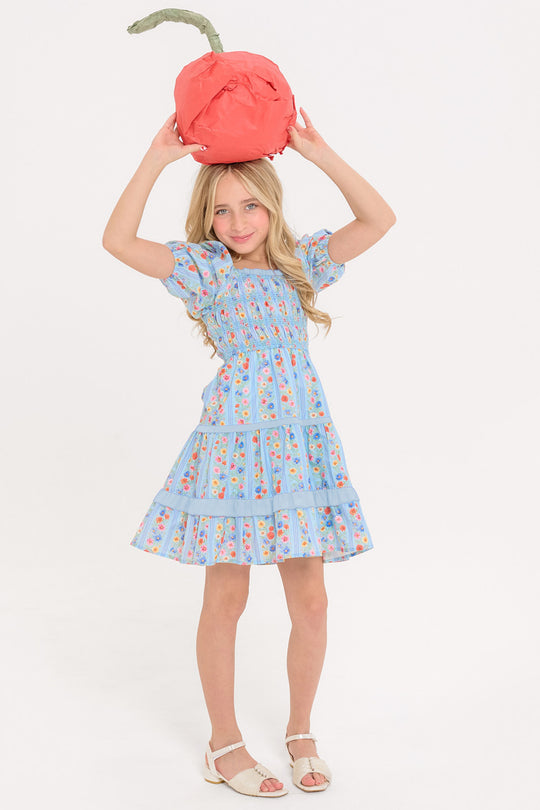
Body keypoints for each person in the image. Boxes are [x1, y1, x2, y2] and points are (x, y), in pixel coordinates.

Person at [102, 107, 396, 798]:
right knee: (227, 595)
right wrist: (155, 160)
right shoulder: (204, 270)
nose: (237, 223)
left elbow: (379, 220)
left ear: (272, 206)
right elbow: (117, 241)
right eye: (222, 211)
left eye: (251, 207)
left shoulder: (302, 265)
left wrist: (320, 153)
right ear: (206, 220)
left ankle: (300, 732)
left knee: (313, 602)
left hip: (298, 446)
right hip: (235, 449)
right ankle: (223, 741)